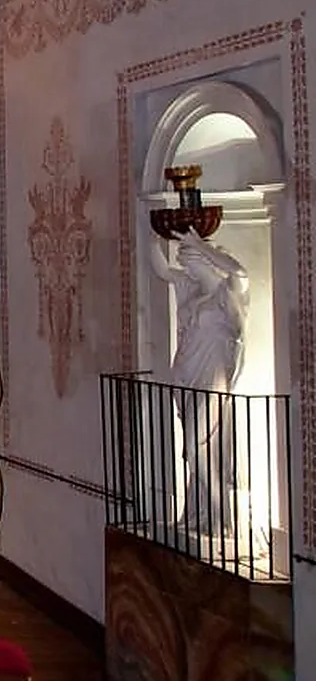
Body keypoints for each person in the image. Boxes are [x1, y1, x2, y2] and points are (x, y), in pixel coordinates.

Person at [152, 230, 249, 538]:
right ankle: (198, 512)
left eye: (189, 261)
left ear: (205, 261)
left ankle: (222, 516)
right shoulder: (190, 289)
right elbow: (161, 270)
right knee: (194, 451)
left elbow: (239, 271)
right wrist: (151, 231)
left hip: (212, 379)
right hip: (187, 376)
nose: (186, 267)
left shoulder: (227, 293)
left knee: (197, 448)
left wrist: (199, 244)